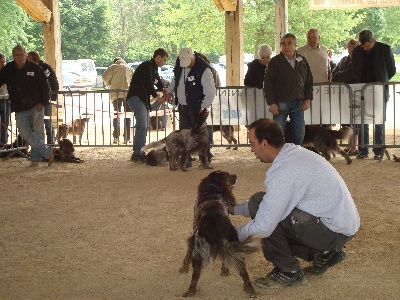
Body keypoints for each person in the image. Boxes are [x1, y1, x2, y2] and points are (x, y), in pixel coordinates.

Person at [230, 118, 360, 288]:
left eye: (252, 144)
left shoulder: (284, 170)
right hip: (338, 225)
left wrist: (229, 234)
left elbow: (264, 226)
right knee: (259, 202)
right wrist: (234, 209)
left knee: (269, 220)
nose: (251, 149)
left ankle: (289, 271)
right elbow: (266, 203)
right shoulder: (293, 153)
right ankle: (323, 253)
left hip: (333, 229)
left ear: (264, 143)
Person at [0, 45, 53, 166]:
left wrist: (43, 102)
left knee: (38, 133)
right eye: (17, 55)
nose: (19, 57)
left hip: (36, 105)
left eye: (22, 55)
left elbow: (46, 86)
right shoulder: (8, 69)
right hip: (19, 108)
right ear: (13, 56)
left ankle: (35, 159)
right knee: (24, 132)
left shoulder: (35, 68)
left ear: (25, 55)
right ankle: (48, 152)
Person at [351, 30, 396, 160]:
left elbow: (391, 70)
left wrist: (382, 80)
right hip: (362, 90)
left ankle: (378, 150)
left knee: (379, 120)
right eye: (363, 46)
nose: (365, 48)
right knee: (363, 120)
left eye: (367, 46)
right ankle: (363, 150)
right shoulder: (357, 51)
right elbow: (355, 68)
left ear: (373, 40)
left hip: (379, 90)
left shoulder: (385, 49)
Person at [166, 48, 216, 165]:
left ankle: (205, 159)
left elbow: (210, 91)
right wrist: (169, 91)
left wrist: (203, 107)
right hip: (183, 106)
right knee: (184, 136)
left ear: (193, 57)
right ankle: (186, 160)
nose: (187, 65)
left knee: (201, 136)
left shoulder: (204, 69)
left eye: (189, 63)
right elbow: (175, 80)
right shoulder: (180, 66)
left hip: (197, 107)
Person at [263, 33, 313, 145]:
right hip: (281, 102)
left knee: (299, 133)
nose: (286, 46)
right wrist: (272, 103)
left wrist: (307, 99)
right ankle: (278, 156)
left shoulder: (302, 61)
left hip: (299, 102)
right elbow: (268, 85)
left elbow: (309, 82)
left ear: (295, 45)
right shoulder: (274, 62)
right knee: (278, 132)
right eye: (283, 44)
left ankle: (295, 155)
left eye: (289, 44)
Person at [126, 48, 168, 163]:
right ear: (158, 57)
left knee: (143, 126)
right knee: (142, 125)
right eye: (164, 60)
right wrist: (156, 96)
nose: (165, 63)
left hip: (141, 99)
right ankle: (137, 153)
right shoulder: (147, 66)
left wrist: (163, 89)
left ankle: (139, 151)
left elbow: (157, 81)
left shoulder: (153, 68)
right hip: (136, 97)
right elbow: (149, 82)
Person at [331, 39, 360, 156]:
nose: (351, 50)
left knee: (355, 120)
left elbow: (349, 74)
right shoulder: (344, 59)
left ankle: (355, 146)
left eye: (353, 48)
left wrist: (340, 75)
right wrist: (340, 75)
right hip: (343, 94)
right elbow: (334, 73)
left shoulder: (358, 61)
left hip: (356, 94)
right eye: (349, 47)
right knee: (345, 120)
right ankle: (349, 145)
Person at [27, 51, 60, 145]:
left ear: (35, 60)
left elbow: (54, 83)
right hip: (33, 101)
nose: (27, 61)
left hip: (46, 100)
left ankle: (51, 144)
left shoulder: (45, 68)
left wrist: (53, 99)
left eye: (29, 60)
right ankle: (36, 145)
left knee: (47, 122)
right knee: (33, 124)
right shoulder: (29, 69)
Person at [102, 57, 133, 144]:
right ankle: (127, 138)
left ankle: (116, 137)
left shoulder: (112, 67)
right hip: (128, 94)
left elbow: (104, 77)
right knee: (128, 115)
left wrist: (109, 83)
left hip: (115, 94)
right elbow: (134, 80)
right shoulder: (129, 68)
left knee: (116, 115)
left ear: (115, 61)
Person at [0, 52, 10, 146]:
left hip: (5, 100)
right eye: (1, 62)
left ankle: (3, 142)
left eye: (4, 62)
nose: (3, 64)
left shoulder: (7, 72)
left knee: (5, 122)